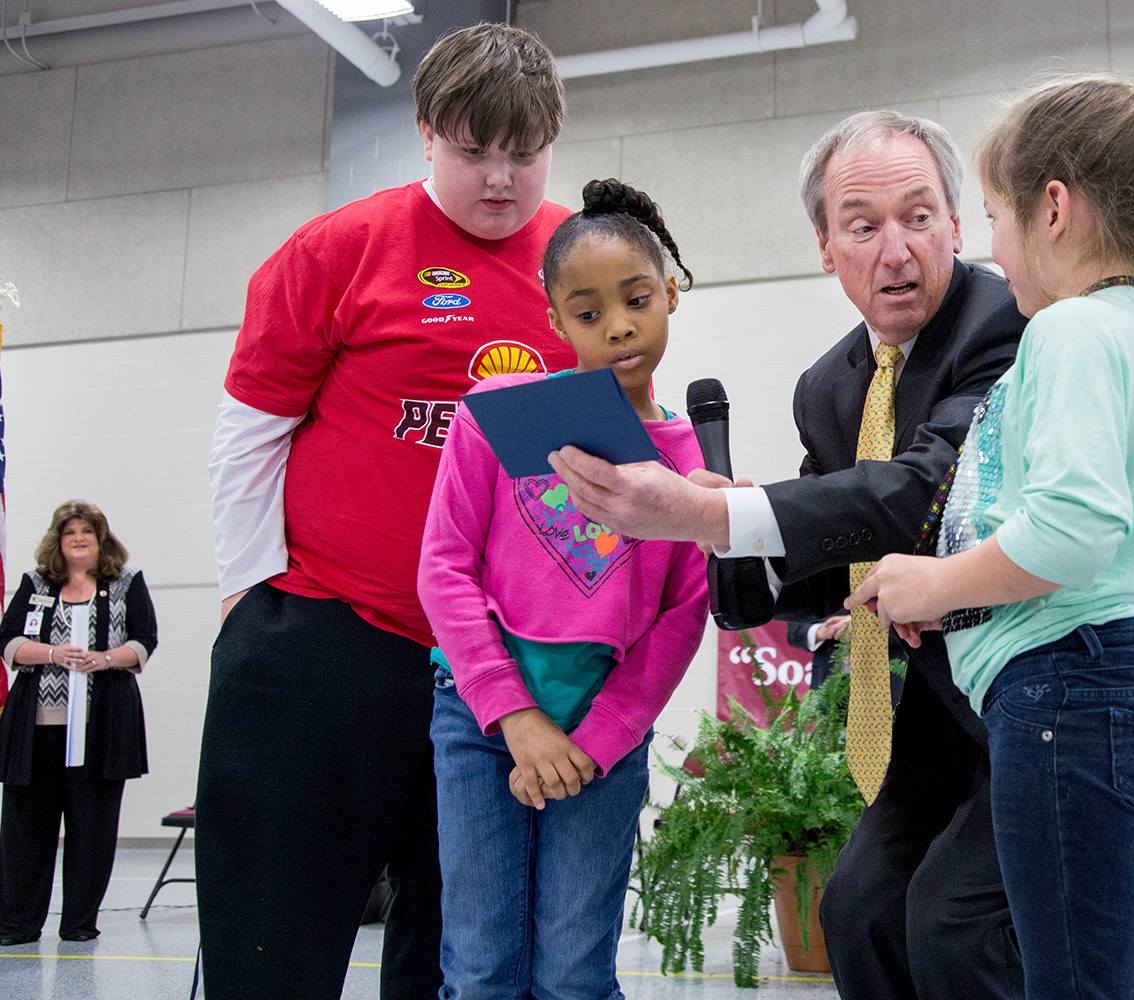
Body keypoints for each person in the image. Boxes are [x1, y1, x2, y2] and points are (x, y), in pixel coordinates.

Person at [549, 110, 1031, 1000]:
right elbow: (828, 550)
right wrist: (720, 528)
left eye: (919, 218)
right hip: (936, 715)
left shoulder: (1005, 323)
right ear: (826, 247)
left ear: (956, 226)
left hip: (1041, 695)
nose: (896, 251)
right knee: (855, 910)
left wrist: (718, 514)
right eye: (863, 226)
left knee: (950, 924)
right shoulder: (829, 386)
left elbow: (923, 494)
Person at [197, 23, 572, 999]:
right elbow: (250, 429)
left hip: (489, 662)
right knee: (274, 935)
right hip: (327, 633)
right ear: (424, 132)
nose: (499, 177)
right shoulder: (343, 249)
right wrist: (249, 591)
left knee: (461, 945)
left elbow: (582, 473)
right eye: (472, 150)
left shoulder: (579, 269)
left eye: (522, 154)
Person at [848, 74, 1134, 998]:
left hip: (1073, 688)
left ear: (1053, 208)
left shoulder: (1071, 332)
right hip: (1097, 680)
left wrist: (933, 586)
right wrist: (946, 595)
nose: (990, 249)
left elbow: (1071, 530)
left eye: (993, 217)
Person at [418, 178, 709, 1000]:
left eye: (637, 299)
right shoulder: (495, 415)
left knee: (575, 972)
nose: (618, 325)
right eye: (587, 312)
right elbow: (442, 568)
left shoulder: (692, 464)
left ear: (670, 294)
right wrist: (515, 719)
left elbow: (682, 616)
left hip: (602, 738)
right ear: (554, 321)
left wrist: (594, 740)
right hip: (482, 722)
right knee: (479, 969)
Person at [0, 500, 156, 946]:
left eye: (87, 532)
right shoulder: (36, 583)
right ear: (58, 541)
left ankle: (79, 924)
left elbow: (145, 641)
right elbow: (7, 640)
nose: (79, 540)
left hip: (101, 730)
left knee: (92, 830)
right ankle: (18, 925)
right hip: (38, 732)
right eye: (70, 534)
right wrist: (53, 653)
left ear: (101, 539)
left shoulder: (126, 583)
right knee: (25, 831)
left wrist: (104, 659)